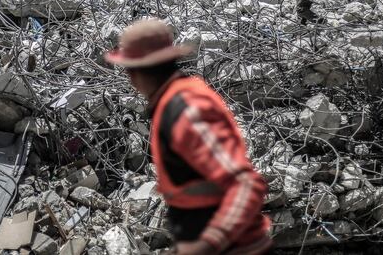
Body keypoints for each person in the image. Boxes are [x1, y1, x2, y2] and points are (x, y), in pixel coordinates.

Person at [105, 19, 272, 255]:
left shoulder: (185, 109)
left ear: (139, 71)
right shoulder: (175, 101)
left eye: (129, 70)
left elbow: (244, 184)